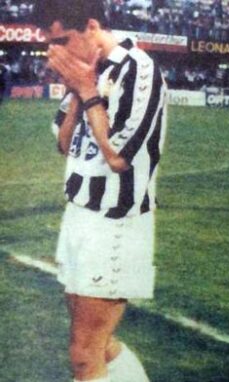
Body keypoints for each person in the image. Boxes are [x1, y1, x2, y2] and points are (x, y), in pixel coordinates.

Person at [33, 0, 168, 381]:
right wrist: (77, 91)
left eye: (62, 40)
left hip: (116, 221)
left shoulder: (138, 69)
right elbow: (63, 143)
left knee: (83, 354)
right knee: (99, 346)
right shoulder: (84, 72)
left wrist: (89, 91)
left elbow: (119, 156)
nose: (55, 52)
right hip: (78, 216)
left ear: (92, 26)